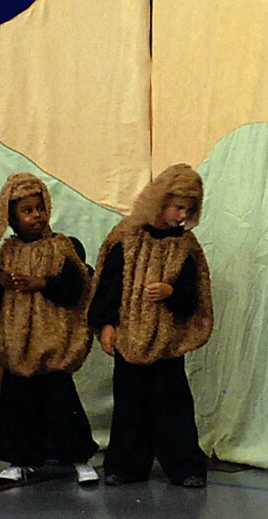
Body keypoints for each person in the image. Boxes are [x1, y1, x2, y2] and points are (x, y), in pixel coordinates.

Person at [91, 164, 214, 488]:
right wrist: (106, 324)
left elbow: (194, 294)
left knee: (173, 404)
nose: (182, 216)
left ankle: (185, 466)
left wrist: (171, 292)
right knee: (129, 405)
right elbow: (109, 284)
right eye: (178, 207)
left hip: (167, 342)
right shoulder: (126, 236)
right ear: (160, 201)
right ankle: (125, 465)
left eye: (189, 210)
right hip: (129, 337)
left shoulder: (186, 246)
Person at [0, 173, 99, 485]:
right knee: (19, 404)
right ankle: (22, 459)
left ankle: (79, 457)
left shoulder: (63, 247)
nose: (36, 216)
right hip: (18, 346)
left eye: (39, 208)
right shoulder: (8, 253)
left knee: (61, 401)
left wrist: (41, 283)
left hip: (53, 343)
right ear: (11, 218)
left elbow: (75, 288)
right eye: (27, 211)